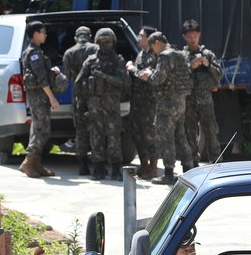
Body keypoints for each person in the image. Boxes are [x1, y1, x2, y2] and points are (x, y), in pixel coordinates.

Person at [138, 32, 191, 185]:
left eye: (152, 47)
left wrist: (149, 74)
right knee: (181, 136)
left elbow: (157, 79)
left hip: (167, 103)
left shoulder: (164, 56)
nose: (153, 51)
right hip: (180, 101)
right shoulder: (180, 54)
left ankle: (168, 173)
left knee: (166, 137)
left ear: (156, 43)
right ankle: (188, 169)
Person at [79, 28, 130, 180]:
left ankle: (115, 168)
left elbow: (124, 82)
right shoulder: (90, 61)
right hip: (94, 105)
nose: (105, 44)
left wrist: (105, 77)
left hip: (111, 105)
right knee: (96, 137)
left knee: (114, 136)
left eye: (108, 42)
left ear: (113, 42)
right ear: (97, 43)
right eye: (102, 42)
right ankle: (99, 168)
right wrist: (82, 102)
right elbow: (79, 82)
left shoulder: (118, 61)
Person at [19, 21, 62, 179]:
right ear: (35, 34)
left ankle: (36, 164)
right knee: (42, 130)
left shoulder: (36, 51)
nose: (45, 34)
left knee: (39, 129)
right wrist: (52, 98)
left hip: (38, 96)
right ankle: (28, 162)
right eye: (43, 32)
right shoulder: (33, 53)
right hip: (39, 97)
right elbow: (41, 78)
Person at [181, 19, 223, 165]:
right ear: (184, 37)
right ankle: (192, 163)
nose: (193, 39)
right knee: (189, 133)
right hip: (188, 101)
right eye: (189, 36)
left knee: (211, 131)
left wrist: (208, 64)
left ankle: (216, 163)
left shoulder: (208, 54)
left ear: (199, 35)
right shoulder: (181, 56)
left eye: (195, 35)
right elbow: (176, 77)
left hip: (205, 100)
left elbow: (219, 74)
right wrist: (190, 66)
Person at [127, 26, 159, 180]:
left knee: (149, 135)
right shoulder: (140, 54)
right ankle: (144, 165)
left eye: (141, 36)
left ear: (149, 38)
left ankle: (153, 168)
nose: (138, 38)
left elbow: (144, 75)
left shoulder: (154, 56)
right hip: (138, 101)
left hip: (150, 103)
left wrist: (131, 68)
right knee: (137, 133)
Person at [63, 26, 97, 175]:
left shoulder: (69, 53)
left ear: (76, 37)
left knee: (81, 132)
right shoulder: (96, 49)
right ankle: (98, 165)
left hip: (78, 97)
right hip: (96, 96)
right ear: (90, 36)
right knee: (97, 130)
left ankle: (83, 165)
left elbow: (69, 76)